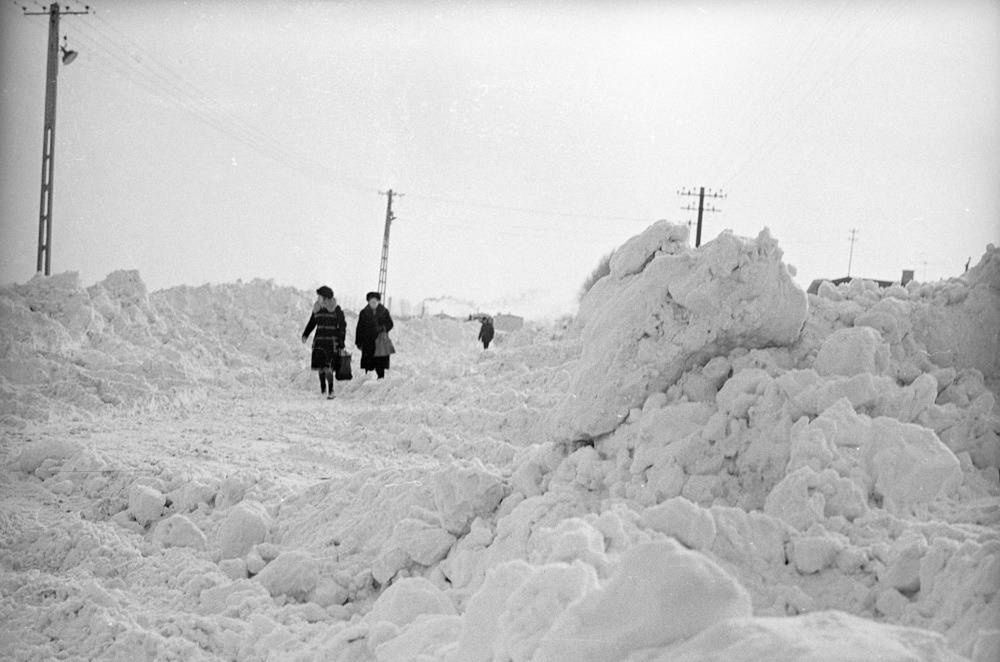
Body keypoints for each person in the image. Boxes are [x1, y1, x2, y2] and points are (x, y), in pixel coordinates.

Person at [301, 285, 346, 399]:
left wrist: (341, 341)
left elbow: (342, 326)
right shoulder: (317, 308)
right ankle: (323, 389)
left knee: (328, 367)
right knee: (320, 367)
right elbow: (312, 323)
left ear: (326, 298)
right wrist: (306, 334)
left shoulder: (336, 310)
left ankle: (331, 390)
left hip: (331, 343)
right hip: (319, 342)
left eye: (320, 296)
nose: (318, 298)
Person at [355, 291, 394, 379]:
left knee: (380, 363)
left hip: (380, 342)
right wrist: (358, 342)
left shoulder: (384, 312)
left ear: (378, 302)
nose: (373, 303)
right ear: (368, 302)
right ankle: (368, 380)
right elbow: (359, 328)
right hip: (368, 342)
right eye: (371, 301)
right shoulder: (364, 313)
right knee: (368, 363)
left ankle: (380, 379)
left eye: (375, 301)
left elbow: (390, 324)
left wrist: (383, 328)